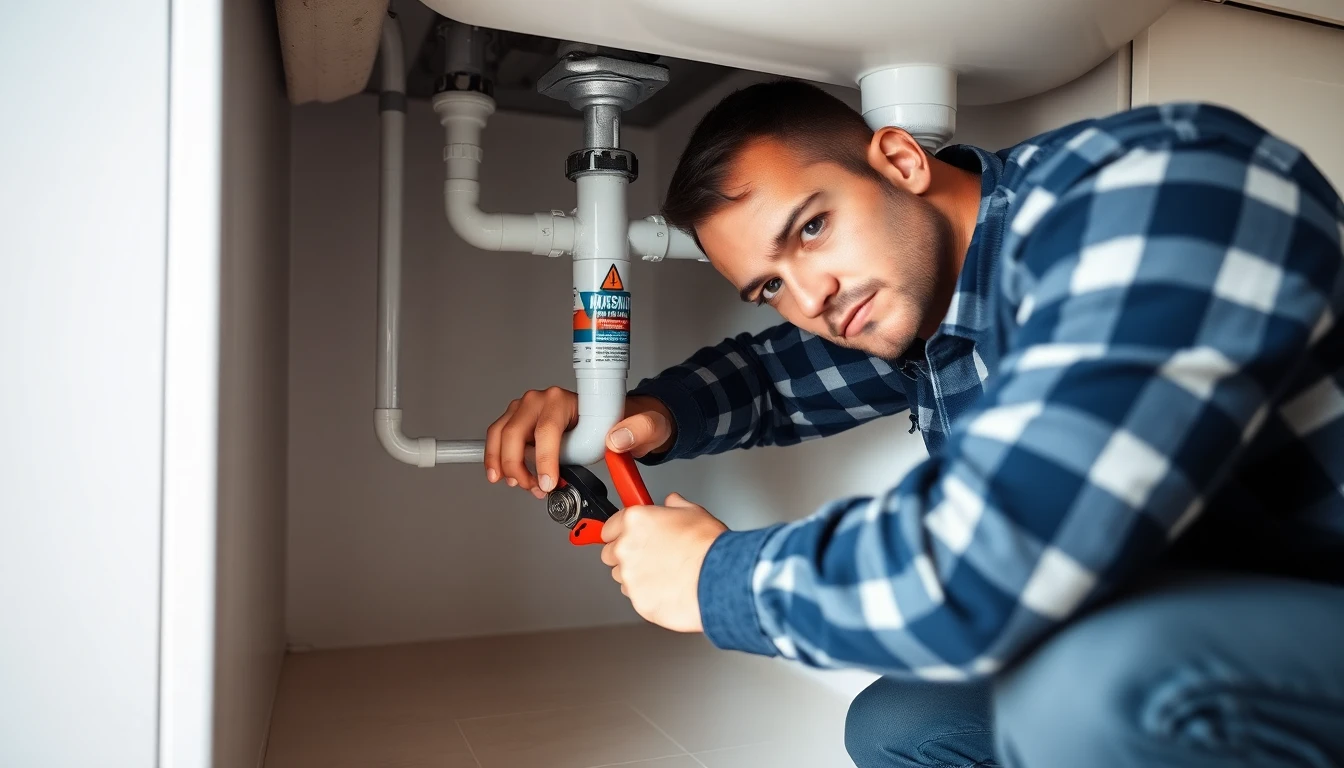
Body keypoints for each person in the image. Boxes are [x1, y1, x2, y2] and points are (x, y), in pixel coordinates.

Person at [484, 81, 1344, 767]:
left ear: (898, 160)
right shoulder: (922, 294)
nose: (811, 297)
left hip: (1311, 601)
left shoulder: (1155, 190)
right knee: (905, 721)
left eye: (812, 227)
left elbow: (1001, 553)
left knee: (1092, 691)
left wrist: (718, 579)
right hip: (1203, 602)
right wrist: (630, 418)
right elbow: (771, 379)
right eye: (770, 286)